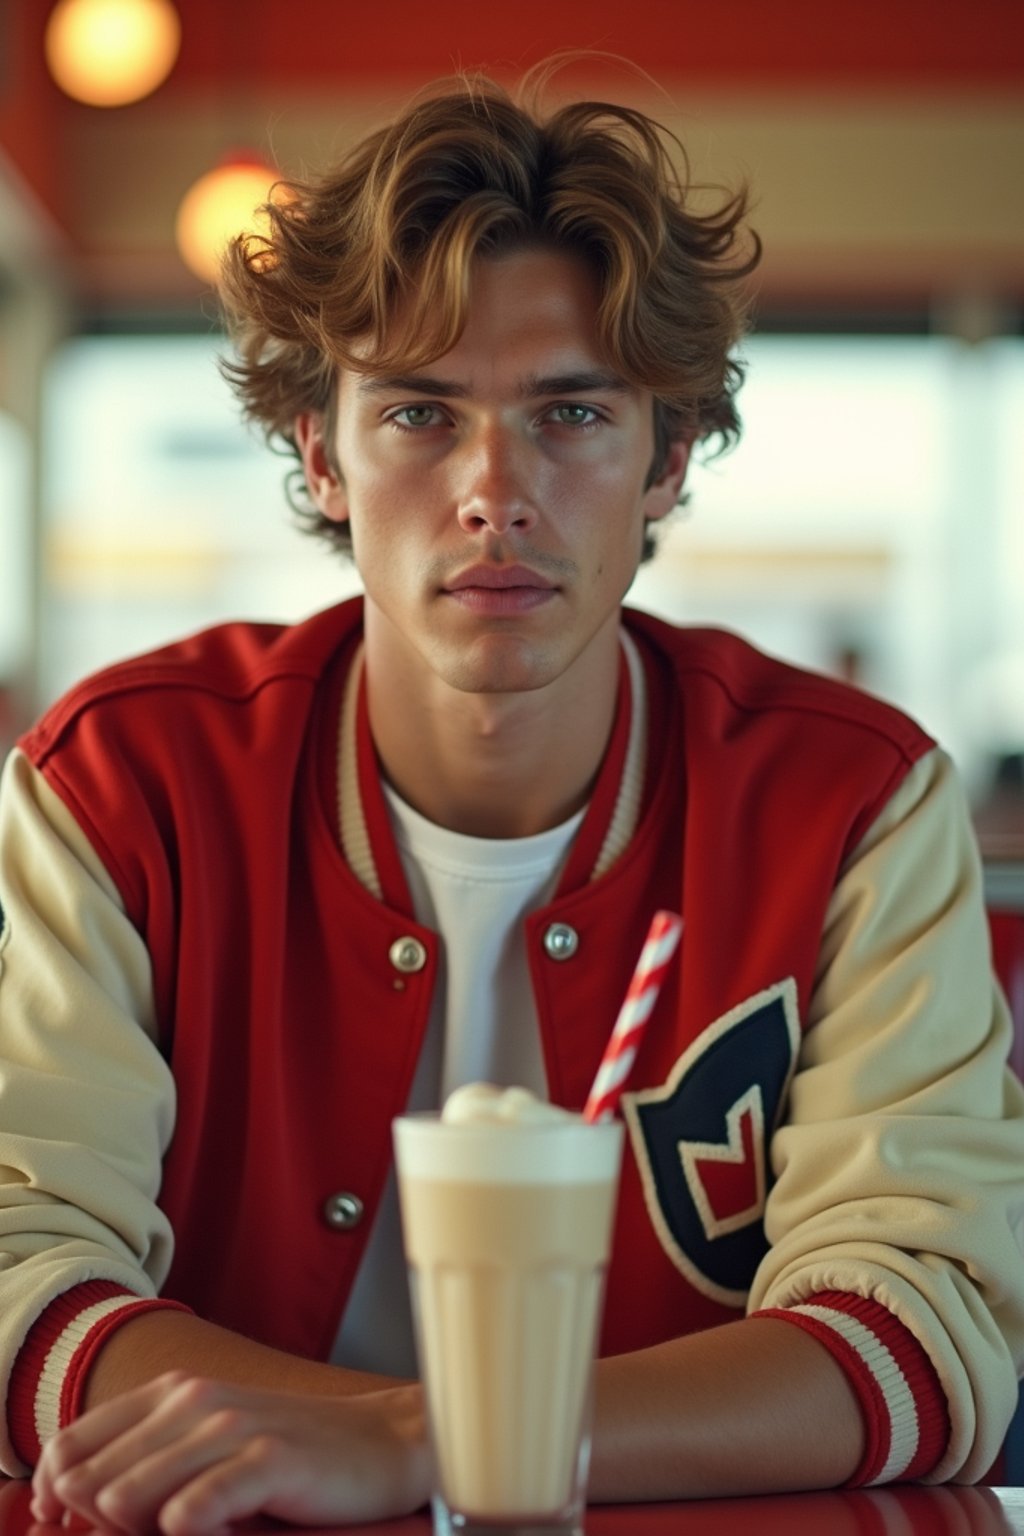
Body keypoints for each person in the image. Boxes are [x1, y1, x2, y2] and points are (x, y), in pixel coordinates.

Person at [1, 66, 1022, 1535]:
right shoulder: (120, 787)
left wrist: (429, 1449)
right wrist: (410, 1445)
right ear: (320, 454)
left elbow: (932, 1335)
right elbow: (19, 1273)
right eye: (419, 412)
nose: (496, 489)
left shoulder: (853, 806)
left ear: (666, 458)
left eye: (571, 413)